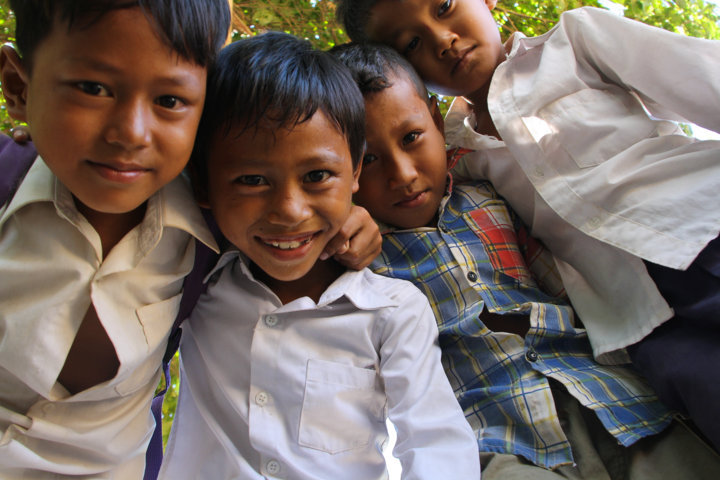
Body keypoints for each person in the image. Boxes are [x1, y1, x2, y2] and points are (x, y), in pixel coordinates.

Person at [0, 2, 378, 477]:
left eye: (170, 100)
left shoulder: (214, 223)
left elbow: (287, 208)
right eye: (92, 88)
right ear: (18, 86)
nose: (132, 133)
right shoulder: (8, 180)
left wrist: (347, 216)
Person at [335, 0, 720, 450]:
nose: (442, 40)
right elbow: (412, 211)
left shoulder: (574, 44)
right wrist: (344, 212)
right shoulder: (453, 155)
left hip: (702, 224)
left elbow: (709, 80)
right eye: (411, 43)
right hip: (638, 319)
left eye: (444, 6)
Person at [159, 32, 480, 480]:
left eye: (317, 175)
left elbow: (435, 444)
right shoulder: (198, 280)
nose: (290, 211)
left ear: (355, 172)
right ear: (203, 185)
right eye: (252, 180)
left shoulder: (392, 311)